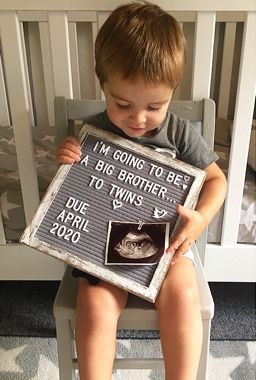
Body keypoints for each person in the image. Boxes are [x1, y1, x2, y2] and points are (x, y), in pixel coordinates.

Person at [55, 2, 227, 379]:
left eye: (155, 106)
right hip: (103, 252)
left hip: (165, 249)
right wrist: (68, 158)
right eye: (122, 104)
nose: (138, 118)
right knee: (95, 303)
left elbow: (218, 180)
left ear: (171, 94)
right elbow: (72, 193)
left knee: (183, 295)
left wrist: (200, 218)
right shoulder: (90, 132)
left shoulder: (179, 133)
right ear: (103, 84)